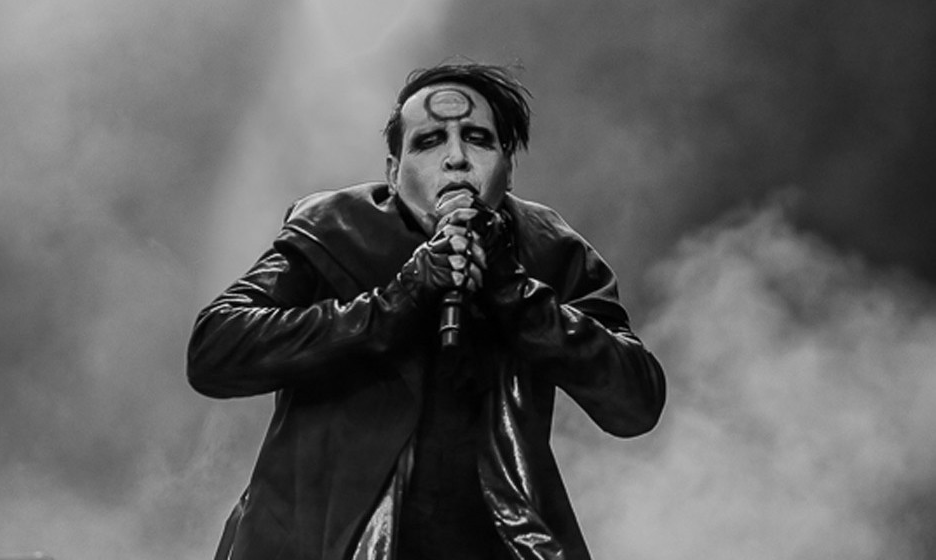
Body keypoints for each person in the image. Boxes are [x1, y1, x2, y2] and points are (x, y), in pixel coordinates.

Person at [187, 62, 665, 560]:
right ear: (393, 172)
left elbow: (637, 401)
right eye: (429, 141)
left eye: (477, 139)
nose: (456, 159)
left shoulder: (549, 250)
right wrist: (397, 301)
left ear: (508, 166)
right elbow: (214, 348)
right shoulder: (334, 231)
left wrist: (514, 293)